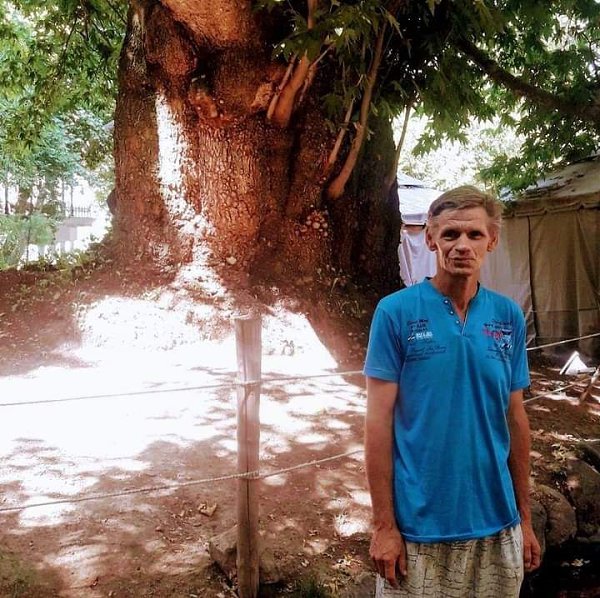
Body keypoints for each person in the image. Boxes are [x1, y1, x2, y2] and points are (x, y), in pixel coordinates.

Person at [364, 186, 541, 597]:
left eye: (474, 234)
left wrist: (525, 520)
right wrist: (384, 526)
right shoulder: (395, 313)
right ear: (430, 239)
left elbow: (515, 419)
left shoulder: (508, 317)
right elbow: (377, 423)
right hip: (418, 530)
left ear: (492, 240)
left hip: (497, 525)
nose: (462, 245)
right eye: (450, 234)